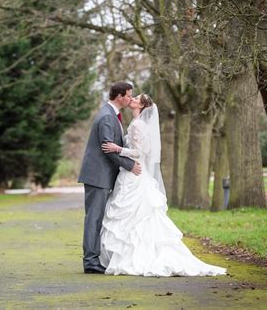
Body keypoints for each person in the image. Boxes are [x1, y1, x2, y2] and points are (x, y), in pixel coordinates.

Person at [99, 94, 227, 277]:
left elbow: (142, 151)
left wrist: (118, 149)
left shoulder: (137, 125)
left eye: (136, 98)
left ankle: (139, 257)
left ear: (142, 105)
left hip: (135, 175)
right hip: (132, 174)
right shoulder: (137, 123)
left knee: (139, 216)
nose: (132, 99)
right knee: (133, 217)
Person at [78, 81, 142, 274]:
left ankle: (94, 258)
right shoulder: (107, 116)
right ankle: (90, 261)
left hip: (103, 176)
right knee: (94, 219)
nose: (131, 98)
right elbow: (107, 149)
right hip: (98, 176)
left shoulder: (111, 114)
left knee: (97, 218)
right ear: (120, 96)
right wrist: (129, 165)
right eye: (129, 95)